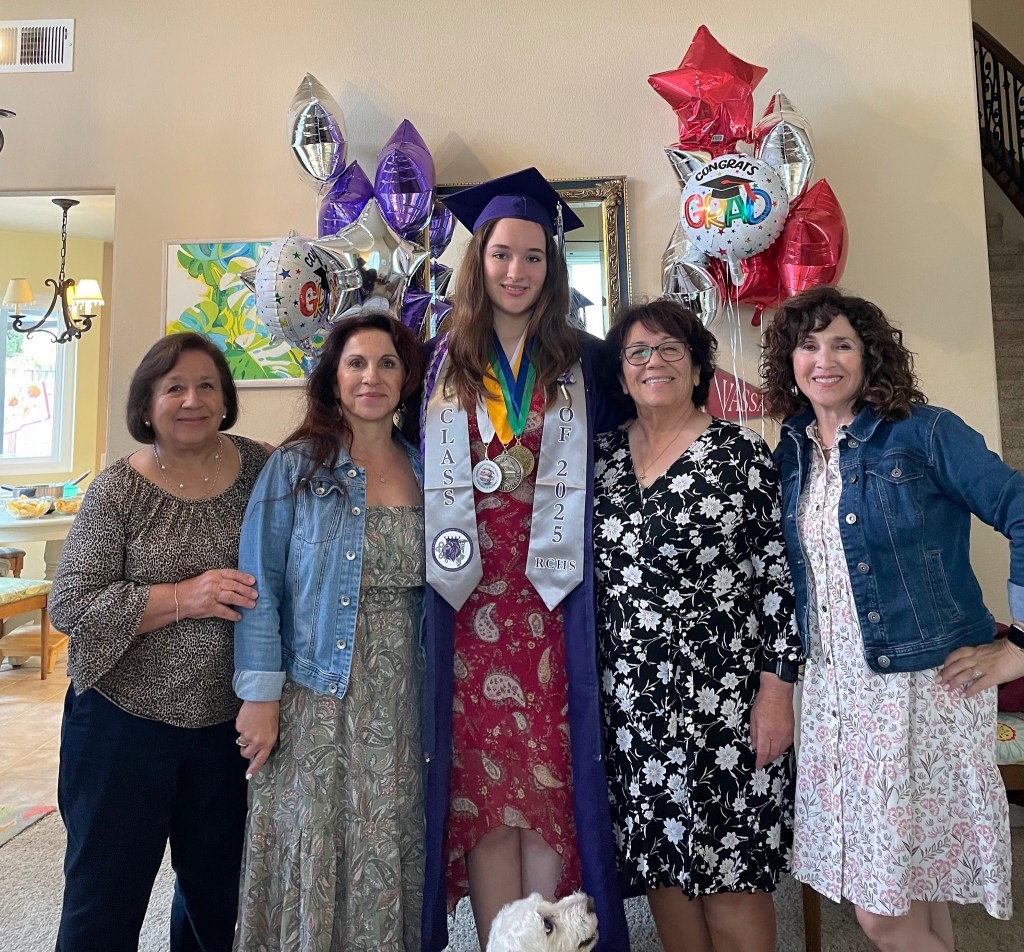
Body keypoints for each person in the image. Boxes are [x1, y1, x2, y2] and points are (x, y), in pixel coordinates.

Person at [761, 285, 1023, 952]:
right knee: (913, 890)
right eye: (809, 345)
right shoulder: (792, 453)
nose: (824, 360)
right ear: (790, 360)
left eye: (842, 344)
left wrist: (1021, 645)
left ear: (870, 355)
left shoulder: (923, 432)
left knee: (881, 912)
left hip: (920, 692)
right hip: (834, 698)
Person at [419, 168, 630, 952]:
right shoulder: (435, 363)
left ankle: (549, 944)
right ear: (478, 262)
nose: (517, 270)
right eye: (502, 254)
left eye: (534, 256)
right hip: (465, 609)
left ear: (553, 266)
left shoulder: (590, 363)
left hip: (557, 607)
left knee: (548, 788)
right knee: (482, 794)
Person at [593, 299, 801, 952]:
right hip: (634, 710)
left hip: (726, 705)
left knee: (732, 878)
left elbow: (780, 582)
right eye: (637, 352)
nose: (653, 362)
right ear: (621, 372)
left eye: (670, 349)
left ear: (697, 365)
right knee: (663, 872)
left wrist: (777, 693)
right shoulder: (599, 459)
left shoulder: (741, 454)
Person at [49, 332, 268, 952]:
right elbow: (71, 606)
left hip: (228, 729)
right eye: (174, 388)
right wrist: (184, 596)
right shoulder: (118, 490)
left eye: (206, 386)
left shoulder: (262, 470)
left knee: (217, 906)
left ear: (225, 399)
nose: (192, 400)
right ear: (147, 406)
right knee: (104, 903)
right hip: (120, 726)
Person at [232, 310, 426, 951]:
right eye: (356, 363)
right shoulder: (295, 469)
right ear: (333, 378)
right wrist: (259, 697)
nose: (372, 377)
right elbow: (260, 587)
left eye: (387, 363)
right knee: (311, 838)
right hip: (315, 691)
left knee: (383, 837)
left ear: (406, 378)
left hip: (402, 697)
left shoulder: (428, 469)